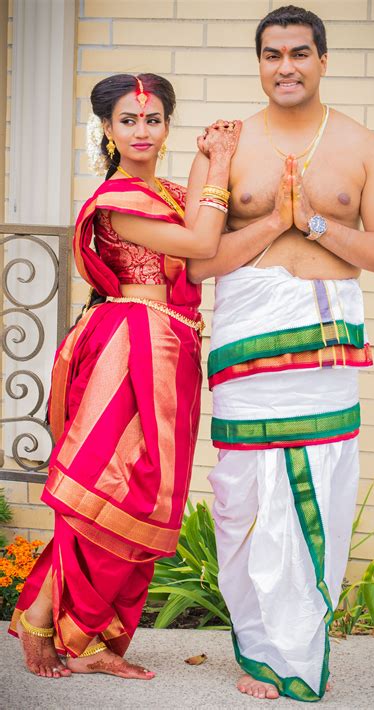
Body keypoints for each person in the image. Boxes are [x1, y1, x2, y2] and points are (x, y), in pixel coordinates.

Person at [186, 5, 374, 703]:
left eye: (300, 53)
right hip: (247, 349)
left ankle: (300, 652)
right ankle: (260, 651)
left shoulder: (363, 147)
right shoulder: (224, 146)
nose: (286, 66)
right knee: (247, 498)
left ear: (322, 60)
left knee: (319, 497)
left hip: (324, 358)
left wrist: (314, 221)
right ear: (259, 62)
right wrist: (277, 222)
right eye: (273, 54)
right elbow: (199, 264)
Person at [9, 72, 241, 680]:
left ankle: (76, 630)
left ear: (167, 126)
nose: (142, 130)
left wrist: (281, 223)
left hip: (173, 345)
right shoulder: (117, 200)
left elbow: (205, 253)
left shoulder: (161, 189)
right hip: (129, 345)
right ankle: (53, 626)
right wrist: (218, 164)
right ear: (107, 130)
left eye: (154, 118)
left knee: (143, 490)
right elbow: (199, 238)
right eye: (129, 120)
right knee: (108, 487)